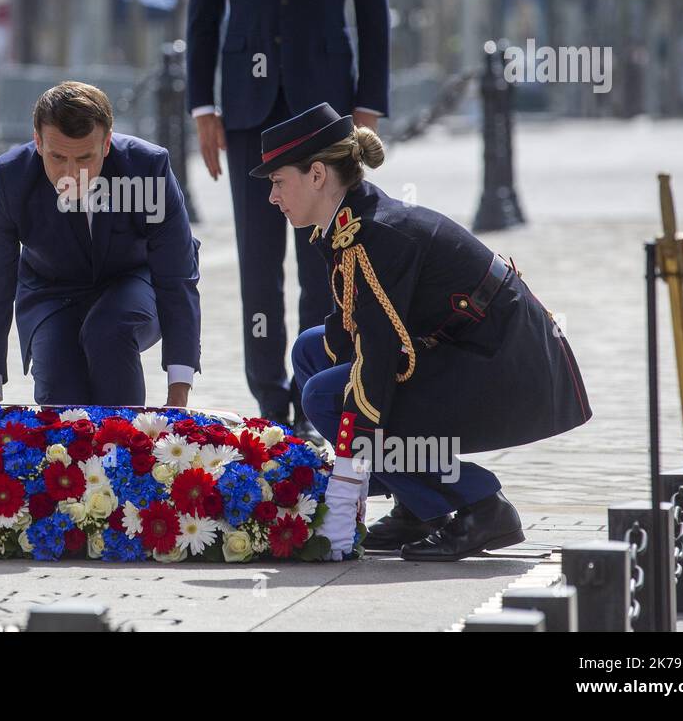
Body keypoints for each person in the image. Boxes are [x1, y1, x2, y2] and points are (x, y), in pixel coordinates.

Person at [252, 103, 592, 560]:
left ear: (316, 175)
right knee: (312, 352)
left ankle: (481, 504)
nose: (272, 197)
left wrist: (348, 477)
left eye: (278, 181)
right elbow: (353, 326)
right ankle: (420, 507)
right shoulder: (349, 223)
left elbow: (376, 363)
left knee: (325, 397)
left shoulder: (374, 236)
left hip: (507, 365)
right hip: (471, 349)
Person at [186, 0, 390, 437]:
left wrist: (369, 109)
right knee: (257, 269)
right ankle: (270, 406)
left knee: (325, 262)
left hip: (326, 119)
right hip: (247, 111)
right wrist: (203, 108)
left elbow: (375, 9)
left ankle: (317, 396)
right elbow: (203, 14)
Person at [0, 82, 200, 409]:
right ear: (37, 141)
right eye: (58, 157)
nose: (71, 173)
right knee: (61, 395)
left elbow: (176, 275)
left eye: (85, 157)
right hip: (49, 291)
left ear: (106, 144)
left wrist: (178, 396)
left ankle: (124, 446)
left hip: (133, 282)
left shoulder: (149, 169)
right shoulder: (9, 178)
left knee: (108, 330)